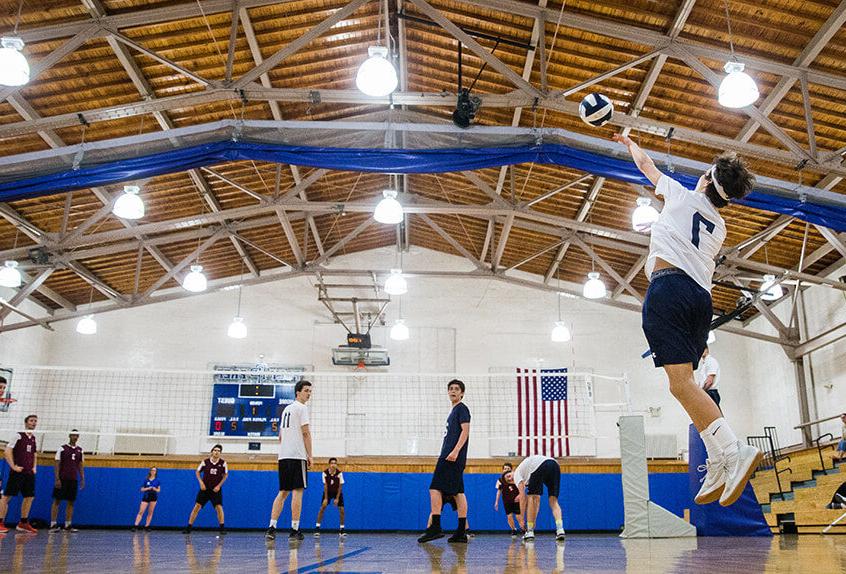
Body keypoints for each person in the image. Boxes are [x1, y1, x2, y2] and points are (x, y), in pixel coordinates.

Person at [614, 133, 760, 507]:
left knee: (680, 385)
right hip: (700, 299)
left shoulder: (681, 195)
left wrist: (630, 142)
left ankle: (732, 449)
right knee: (687, 385)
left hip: (669, 290)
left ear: (707, 180)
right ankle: (716, 458)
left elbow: (646, 166)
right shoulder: (720, 226)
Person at [418, 379, 471, 544]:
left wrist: (455, 451)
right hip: (451, 456)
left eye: (456, 389)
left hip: (451, 457)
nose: (453, 391)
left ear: (462, 393)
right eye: (451, 389)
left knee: (434, 489)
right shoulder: (453, 411)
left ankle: (435, 528)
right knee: (457, 492)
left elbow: (465, 431)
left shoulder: (462, 408)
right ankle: (461, 531)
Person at [266, 380, 313, 541]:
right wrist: (310, 455)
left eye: (310, 391)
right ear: (298, 392)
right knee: (297, 492)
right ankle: (294, 529)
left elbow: (280, 436)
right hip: (297, 456)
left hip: (283, 456)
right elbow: (306, 433)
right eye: (306, 390)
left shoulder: (286, 409)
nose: (309, 394)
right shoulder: (302, 408)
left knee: (283, 492)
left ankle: (271, 527)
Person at [0, 414, 39, 534]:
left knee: (29, 497)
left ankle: (23, 523)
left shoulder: (33, 438)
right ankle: (0, 522)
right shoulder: (18, 436)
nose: (34, 423)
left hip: (28, 473)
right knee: (6, 497)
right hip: (18, 472)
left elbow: (34, 454)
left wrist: (34, 467)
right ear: (26, 423)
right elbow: (7, 451)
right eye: (31, 421)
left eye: (35, 421)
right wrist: (13, 466)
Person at [512, 455, 565, 542]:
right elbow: (528, 497)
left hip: (538, 465)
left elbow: (523, 497)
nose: (510, 478)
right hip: (554, 464)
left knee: (532, 498)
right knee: (553, 501)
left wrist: (521, 519)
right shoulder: (527, 476)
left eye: (509, 476)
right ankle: (560, 529)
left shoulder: (517, 475)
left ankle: (529, 531)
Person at [183, 444, 228, 534]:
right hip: (205, 489)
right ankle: (189, 527)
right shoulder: (205, 462)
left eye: (218, 451)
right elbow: (197, 472)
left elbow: (225, 475)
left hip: (215, 490)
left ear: (220, 453)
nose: (216, 452)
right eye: (215, 450)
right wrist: (201, 483)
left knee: (219, 507)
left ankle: (222, 528)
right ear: (212, 451)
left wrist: (219, 486)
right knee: (197, 507)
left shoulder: (223, 463)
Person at [50, 429, 85, 532]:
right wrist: (57, 478)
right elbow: (57, 463)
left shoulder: (80, 450)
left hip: (73, 479)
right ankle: (53, 524)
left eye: (77, 435)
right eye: (73, 435)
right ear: (69, 436)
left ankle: (68, 525)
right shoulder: (62, 448)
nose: (75, 437)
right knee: (57, 500)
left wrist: (82, 478)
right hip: (62, 478)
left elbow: (80, 465)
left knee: (71, 502)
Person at [314, 457, 345, 537]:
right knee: (322, 508)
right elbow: (325, 486)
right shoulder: (324, 473)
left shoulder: (339, 473)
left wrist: (337, 498)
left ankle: (342, 530)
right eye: (332, 463)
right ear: (329, 464)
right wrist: (326, 498)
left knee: (342, 510)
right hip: (328, 492)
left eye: (335, 463)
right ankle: (317, 528)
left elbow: (340, 486)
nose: (333, 465)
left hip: (337, 492)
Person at [495, 470, 524, 537]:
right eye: (504, 468)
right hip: (507, 501)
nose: (506, 470)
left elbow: (523, 487)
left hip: (516, 501)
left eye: (507, 468)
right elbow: (499, 491)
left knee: (518, 516)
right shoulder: (501, 480)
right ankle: (513, 530)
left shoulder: (517, 479)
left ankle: (523, 530)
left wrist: (520, 495)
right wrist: (496, 502)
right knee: (509, 516)